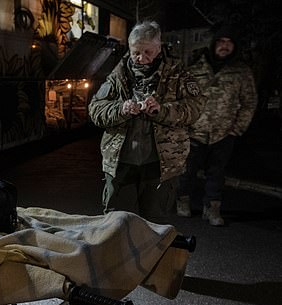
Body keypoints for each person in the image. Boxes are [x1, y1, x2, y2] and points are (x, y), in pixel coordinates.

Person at [88, 21, 205, 223]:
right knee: (116, 223)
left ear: (159, 48)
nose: (141, 59)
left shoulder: (177, 74)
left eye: (148, 52)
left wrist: (162, 110)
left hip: (161, 166)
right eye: (136, 53)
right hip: (121, 164)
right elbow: (95, 110)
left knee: (154, 225)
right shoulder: (118, 75)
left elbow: (196, 107)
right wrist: (121, 108)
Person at [176, 24, 257, 226]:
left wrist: (237, 129)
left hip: (223, 133)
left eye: (229, 43)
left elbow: (249, 102)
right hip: (195, 131)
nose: (224, 46)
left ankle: (212, 210)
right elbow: (181, 98)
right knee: (187, 171)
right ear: (213, 44)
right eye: (221, 42)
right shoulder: (195, 68)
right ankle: (182, 201)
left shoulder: (241, 72)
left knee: (217, 173)